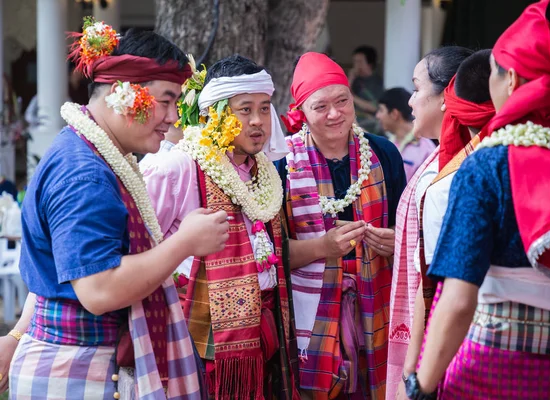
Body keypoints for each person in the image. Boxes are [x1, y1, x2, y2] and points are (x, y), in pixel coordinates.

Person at [0, 21, 229, 399]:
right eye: (166, 100)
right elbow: (99, 289)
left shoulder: (97, 154)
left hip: (84, 362)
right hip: (76, 369)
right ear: (123, 93)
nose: (174, 117)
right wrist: (185, 243)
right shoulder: (83, 173)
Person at [408, 1, 550, 398]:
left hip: (491, 375)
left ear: (510, 80)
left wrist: (421, 387)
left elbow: (458, 301)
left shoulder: (487, 166)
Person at [142, 54, 299, 399]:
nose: (258, 121)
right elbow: (137, 250)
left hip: (265, 323)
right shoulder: (177, 167)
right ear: (215, 114)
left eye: (264, 108)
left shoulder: (266, 171)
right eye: (245, 110)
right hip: (199, 334)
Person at [279, 52, 406, 399]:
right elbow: (267, 254)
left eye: (342, 101)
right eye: (321, 106)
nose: (335, 114)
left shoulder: (383, 154)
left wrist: (397, 242)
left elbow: (408, 232)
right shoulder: (282, 164)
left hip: (375, 307)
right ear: (300, 112)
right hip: (309, 319)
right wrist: (322, 248)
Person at [393, 49, 496, 400]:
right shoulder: (447, 158)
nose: (409, 100)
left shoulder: (457, 173)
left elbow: (437, 284)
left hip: (453, 340)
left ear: (446, 97)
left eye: (416, 88)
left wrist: (414, 372)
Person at [376, 88, 437, 181]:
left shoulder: (426, 149)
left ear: (394, 114)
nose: (378, 116)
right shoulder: (387, 144)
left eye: (381, 110)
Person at [349, 46, 384, 134]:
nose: (356, 65)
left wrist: (352, 97)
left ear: (370, 64)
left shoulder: (376, 82)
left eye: (360, 62)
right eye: (355, 62)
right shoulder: (355, 80)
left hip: (370, 126)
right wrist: (350, 79)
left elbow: (374, 107)